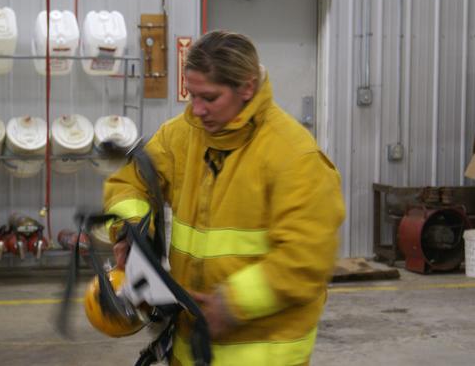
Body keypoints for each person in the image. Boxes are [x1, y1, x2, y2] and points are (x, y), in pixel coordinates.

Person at [103, 30, 345, 366]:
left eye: (210, 98)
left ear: (246, 88)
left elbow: (307, 257)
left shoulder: (295, 157)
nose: (197, 110)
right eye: (192, 96)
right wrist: (134, 231)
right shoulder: (181, 136)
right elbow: (130, 181)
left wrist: (234, 303)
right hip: (190, 350)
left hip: (264, 355)